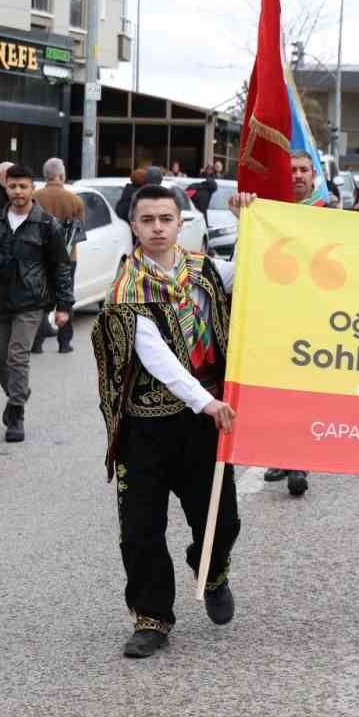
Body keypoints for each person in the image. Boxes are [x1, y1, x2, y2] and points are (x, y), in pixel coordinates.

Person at [92, 184, 242, 659]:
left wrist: (248, 223)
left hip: (203, 427)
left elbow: (257, 272)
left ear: (181, 224)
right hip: (148, 426)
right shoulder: (126, 288)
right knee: (140, 530)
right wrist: (206, 402)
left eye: (166, 219)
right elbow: (155, 356)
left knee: (222, 520)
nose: (157, 228)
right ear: (133, 226)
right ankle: (151, 618)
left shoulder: (205, 271)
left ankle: (212, 570)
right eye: (147, 220)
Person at [0, 164, 73, 443]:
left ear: (32, 189)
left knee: (17, 356)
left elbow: (61, 267)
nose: (17, 192)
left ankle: (16, 413)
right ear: (6, 188)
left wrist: (64, 306)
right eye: (12, 186)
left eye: (23, 186)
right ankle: (19, 391)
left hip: (31, 301)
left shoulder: (46, 224)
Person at [260, 153, 320, 497]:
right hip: (277, 314)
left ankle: (297, 460)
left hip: (314, 316)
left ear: (313, 175)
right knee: (277, 390)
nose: (297, 175)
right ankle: (283, 455)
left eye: (303, 170)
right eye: (291, 170)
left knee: (301, 389)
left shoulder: (330, 214)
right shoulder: (268, 212)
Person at [32, 157, 86, 354]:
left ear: (46, 175)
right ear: (61, 175)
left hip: (39, 256)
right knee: (66, 297)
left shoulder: (34, 197)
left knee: (39, 298)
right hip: (67, 258)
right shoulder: (75, 200)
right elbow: (79, 231)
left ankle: (36, 342)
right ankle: (64, 343)